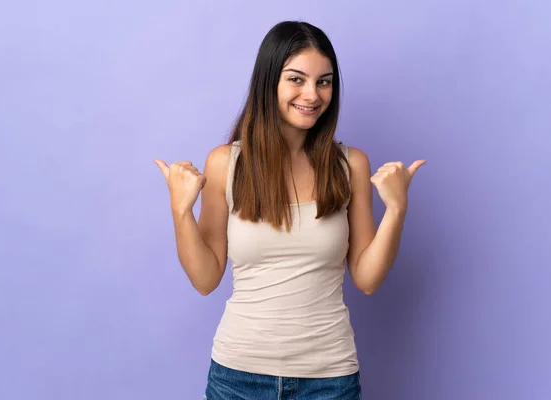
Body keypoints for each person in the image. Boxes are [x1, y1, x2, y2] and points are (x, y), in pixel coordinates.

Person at [154, 20, 425, 400]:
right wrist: (180, 210)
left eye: (324, 81)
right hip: (239, 378)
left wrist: (396, 210)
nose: (312, 95)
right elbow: (204, 279)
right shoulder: (225, 164)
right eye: (296, 79)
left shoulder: (351, 166)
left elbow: (366, 278)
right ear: (270, 82)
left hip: (330, 379)